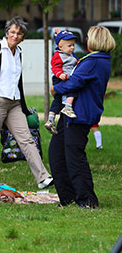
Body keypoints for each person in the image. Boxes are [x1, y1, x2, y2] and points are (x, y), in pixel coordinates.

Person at [0, 16, 53, 189]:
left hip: (15, 103)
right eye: (12, 32)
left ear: (23, 36)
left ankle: (42, 178)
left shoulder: (18, 52)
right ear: (7, 32)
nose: (15, 36)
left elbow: (18, 82)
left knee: (27, 140)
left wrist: (24, 108)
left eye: (19, 33)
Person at [49, 26, 115, 208]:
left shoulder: (94, 61)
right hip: (70, 112)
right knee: (56, 153)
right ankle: (68, 197)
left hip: (79, 114)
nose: (86, 40)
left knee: (74, 156)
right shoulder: (97, 60)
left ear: (95, 40)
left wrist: (56, 89)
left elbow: (75, 81)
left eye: (88, 37)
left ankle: (87, 200)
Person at [44, 30, 79, 135]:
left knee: (58, 99)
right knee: (72, 89)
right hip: (60, 78)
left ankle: (50, 119)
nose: (72, 48)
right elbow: (54, 66)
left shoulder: (71, 55)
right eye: (69, 46)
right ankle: (68, 107)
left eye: (73, 45)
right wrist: (60, 74)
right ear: (60, 47)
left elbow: (77, 62)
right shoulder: (58, 55)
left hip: (66, 77)